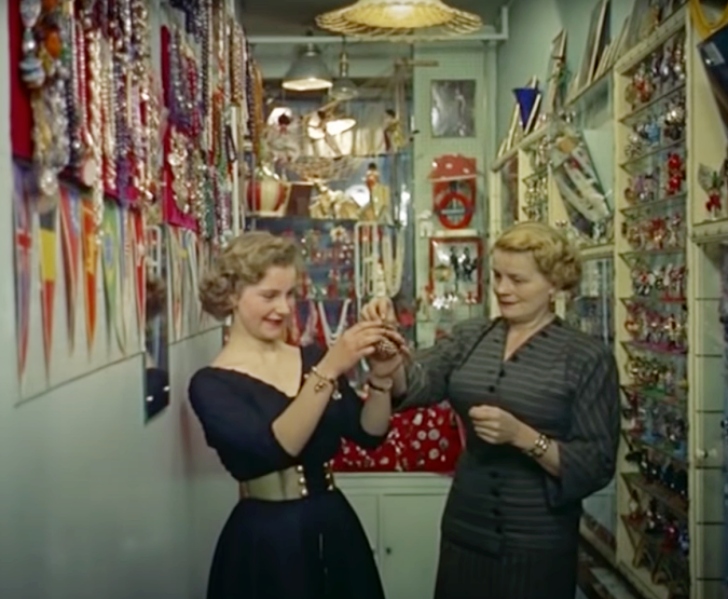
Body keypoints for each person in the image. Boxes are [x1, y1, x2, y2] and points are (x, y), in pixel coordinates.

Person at [362, 221, 620, 599]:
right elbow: (419, 382)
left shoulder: (585, 357)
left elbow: (596, 463)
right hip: (467, 530)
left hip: (537, 545)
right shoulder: (472, 336)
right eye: (498, 276)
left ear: (554, 283)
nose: (502, 289)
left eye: (517, 279)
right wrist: (388, 357)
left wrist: (523, 437)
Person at [187, 231, 405, 599]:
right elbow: (277, 447)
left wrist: (382, 376)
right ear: (232, 295)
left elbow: (369, 432)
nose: (285, 309)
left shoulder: (312, 358)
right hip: (266, 540)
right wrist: (330, 369)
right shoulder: (211, 385)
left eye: (290, 295)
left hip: (334, 524)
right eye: (269, 296)